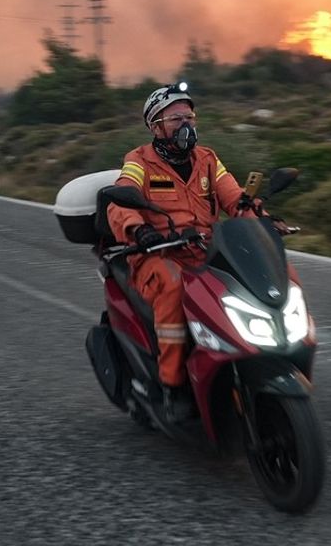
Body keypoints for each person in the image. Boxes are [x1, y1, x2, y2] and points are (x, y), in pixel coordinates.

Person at [105, 82, 249, 421]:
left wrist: (261, 219)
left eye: (189, 116)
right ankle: (172, 386)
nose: (186, 124)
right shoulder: (140, 161)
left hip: (203, 250)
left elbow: (234, 197)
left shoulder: (208, 159)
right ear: (156, 126)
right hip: (158, 254)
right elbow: (119, 199)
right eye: (175, 118)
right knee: (172, 288)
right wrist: (138, 229)